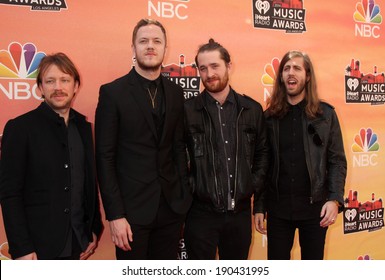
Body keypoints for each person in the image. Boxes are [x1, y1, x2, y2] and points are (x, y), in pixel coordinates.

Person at [95, 18, 191, 260]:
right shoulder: (112, 93)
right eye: (144, 41)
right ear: (134, 48)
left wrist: (183, 196)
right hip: (131, 214)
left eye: (157, 41)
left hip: (170, 210)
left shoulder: (175, 93)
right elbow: (104, 158)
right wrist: (115, 215)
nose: (150, 46)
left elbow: (178, 148)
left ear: (165, 49)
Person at [0, 53, 103, 260]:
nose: (58, 87)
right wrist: (22, 248)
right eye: (50, 81)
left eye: (65, 80)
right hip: (38, 249)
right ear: (40, 88)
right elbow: (9, 193)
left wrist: (93, 228)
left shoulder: (84, 128)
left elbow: (88, 185)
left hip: (77, 243)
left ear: (75, 86)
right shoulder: (20, 128)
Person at [254, 50, 347, 260]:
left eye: (296, 68)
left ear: (307, 76)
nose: (290, 72)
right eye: (286, 68)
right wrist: (259, 206)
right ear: (281, 77)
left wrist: (334, 199)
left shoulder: (326, 115)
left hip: (316, 211)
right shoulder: (269, 117)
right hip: (278, 211)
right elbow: (263, 165)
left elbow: (337, 161)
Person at [183, 39, 269, 260]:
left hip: (239, 215)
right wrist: (192, 188)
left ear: (229, 66)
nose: (209, 73)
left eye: (215, 66)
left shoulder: (252, 110)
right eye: (203, 68)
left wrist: (251, 186)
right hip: (200, 215)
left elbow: (262, 155)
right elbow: (175, 158)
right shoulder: (187, 111)